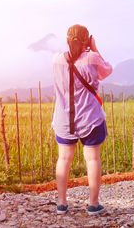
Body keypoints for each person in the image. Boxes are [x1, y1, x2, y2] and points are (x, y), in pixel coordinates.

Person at [51, 24, 112, 215]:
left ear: (67, 39)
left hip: (64, 119)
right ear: (87, 39)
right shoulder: (92, 58)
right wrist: (95, 49)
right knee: (92, 159)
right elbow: (106, 71)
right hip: (90, 118)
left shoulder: (57, 59)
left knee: (63, 158)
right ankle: (93, 204)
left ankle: (62, 203)